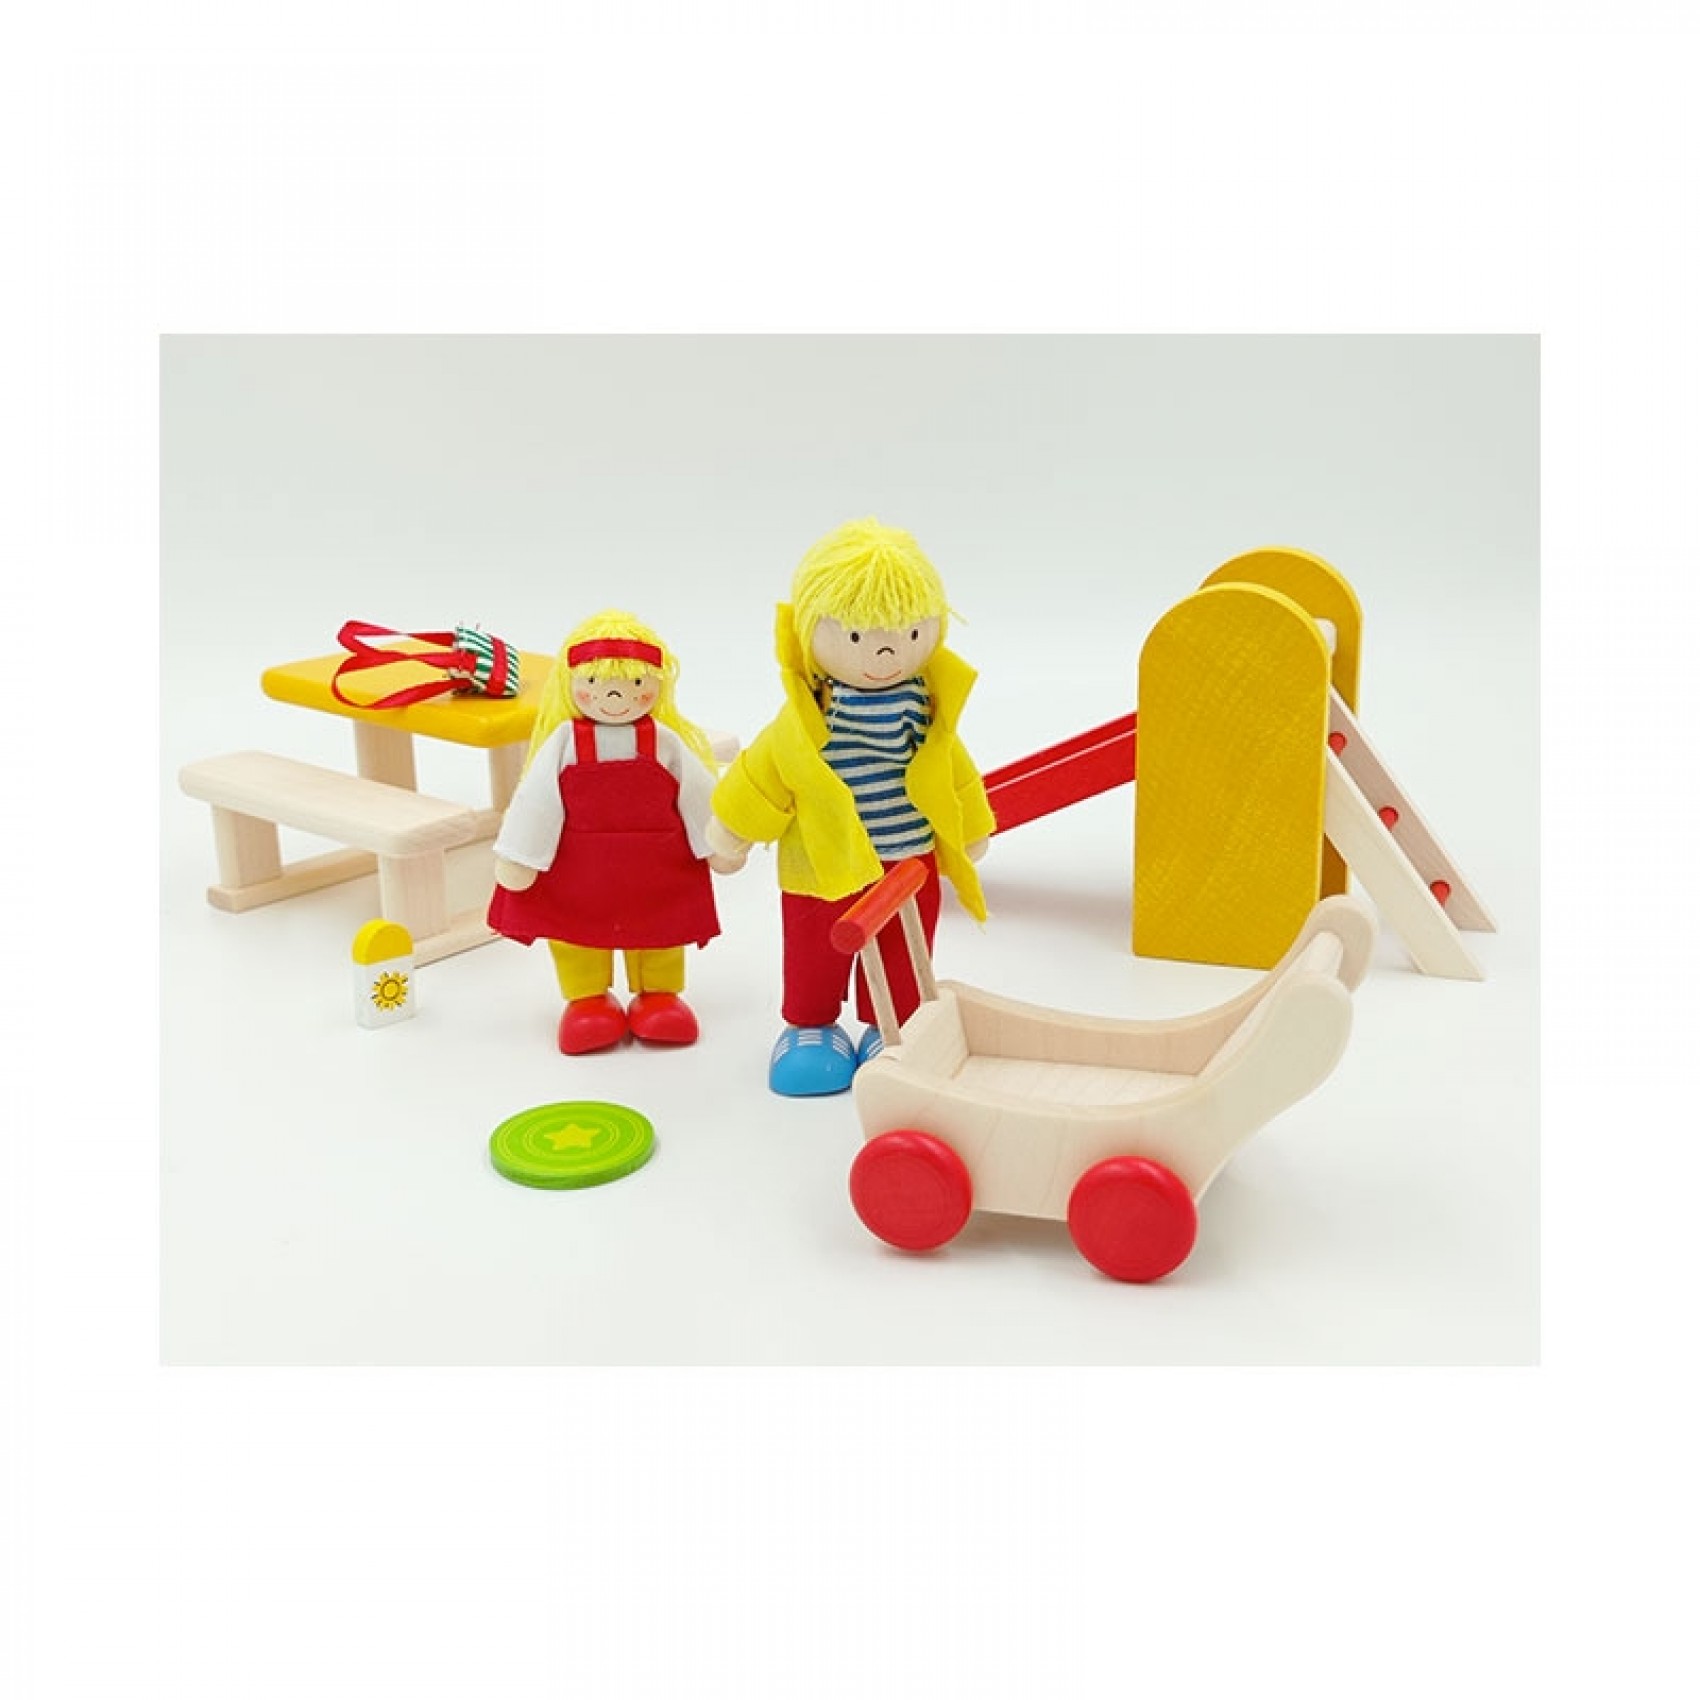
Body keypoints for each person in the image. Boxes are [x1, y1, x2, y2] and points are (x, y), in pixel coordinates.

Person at [708, 518, 995, 1096]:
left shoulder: (925, 710)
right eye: (859, 637)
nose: (885, 653)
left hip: (907, 861)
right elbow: (764, 771)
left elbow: (951, 768)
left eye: (907, 633)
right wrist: (731, 833)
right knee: (813, 947)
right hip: (820, 861)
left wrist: (969, 828)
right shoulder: (806, 717)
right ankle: (810, 1027)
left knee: (904, 951)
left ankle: (893, 1027)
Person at [489, 610, 727, 1054]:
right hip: (579, 870)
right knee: (576, 931)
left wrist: (717, 841)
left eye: (636, 683)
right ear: (571, 683)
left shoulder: (664, 741)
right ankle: (587, 1001)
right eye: (596, 682)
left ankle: (658, 996)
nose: (616, 695)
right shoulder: (564, 742)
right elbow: (537, 799)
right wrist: (520, 854)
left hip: (657, 867)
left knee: (660, 927)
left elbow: (697, 793)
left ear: (657, 684)